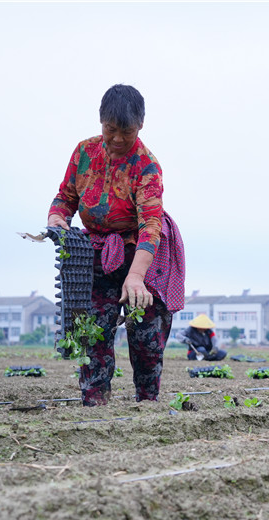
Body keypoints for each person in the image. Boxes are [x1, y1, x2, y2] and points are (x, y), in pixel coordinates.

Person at [48, 84, 185, 406]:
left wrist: (135, 277)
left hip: (145, 256)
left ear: (141, 125)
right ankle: (95, 401)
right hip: (97, 253)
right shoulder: (84, 152)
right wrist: (57, 218)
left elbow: (151, 225)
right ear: (101, 122)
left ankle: (147, 402)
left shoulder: (146, 166)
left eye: (127, 131)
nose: (118, 139)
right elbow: (65, 196)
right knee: (93, 329)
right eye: (111, 130)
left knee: (146, 338)